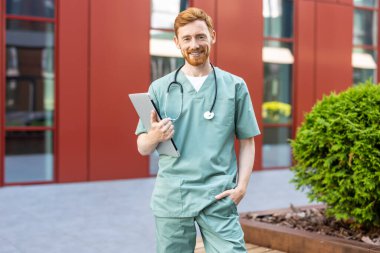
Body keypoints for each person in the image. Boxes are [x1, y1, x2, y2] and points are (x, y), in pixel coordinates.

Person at [135, 7, 260, 253]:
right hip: (173, 196)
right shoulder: (160, 88)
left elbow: (247, 141)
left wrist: (242, 187)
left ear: (213, 36)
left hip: (219, 195)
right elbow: (142, 147)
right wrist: (154, 136)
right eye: (187, 38)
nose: (195, 44)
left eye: (201, 36)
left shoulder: (235, 86)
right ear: (177, 42)